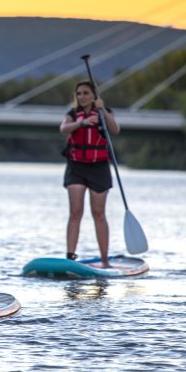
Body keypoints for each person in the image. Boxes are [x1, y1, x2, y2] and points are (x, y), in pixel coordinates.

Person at [60, 80, 120, 268]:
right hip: (76, 166)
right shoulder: (72, 115)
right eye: (79, 94)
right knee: (75, 212)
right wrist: (82, 122)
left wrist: (103, 112)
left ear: (94, 96)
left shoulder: (104, 112)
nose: (82, 97)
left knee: (99, 213)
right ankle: (70, 257)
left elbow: (115, 130)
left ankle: (104, 260)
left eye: (86, 93)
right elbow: (63, 129)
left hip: (99, 167)